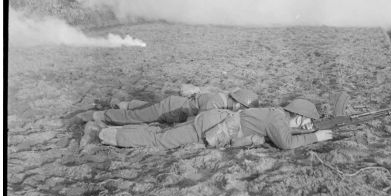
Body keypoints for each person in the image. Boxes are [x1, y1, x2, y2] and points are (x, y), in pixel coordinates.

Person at [98, 98, 333, 150]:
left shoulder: (278, 115)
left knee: (162, 131)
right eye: (307, 121)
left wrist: (309, 130)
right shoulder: (277, 119)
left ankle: (114, 126)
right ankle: (108, 135)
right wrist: (316, 137)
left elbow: (284, 131)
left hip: (215, 119)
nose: (307, 125)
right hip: (211, 125)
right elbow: (286, 143)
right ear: (300, 116)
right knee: (161, 140)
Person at [80, 89, 259, 126]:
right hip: (170, 110)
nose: (240, 111)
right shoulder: (216, 103)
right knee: (135, 117)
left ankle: (118, 103)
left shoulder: (222, 97)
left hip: (173, 104)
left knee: (144, 108)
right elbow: (199, 122)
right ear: (237, 103)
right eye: (241, 108)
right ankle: (97, 115)